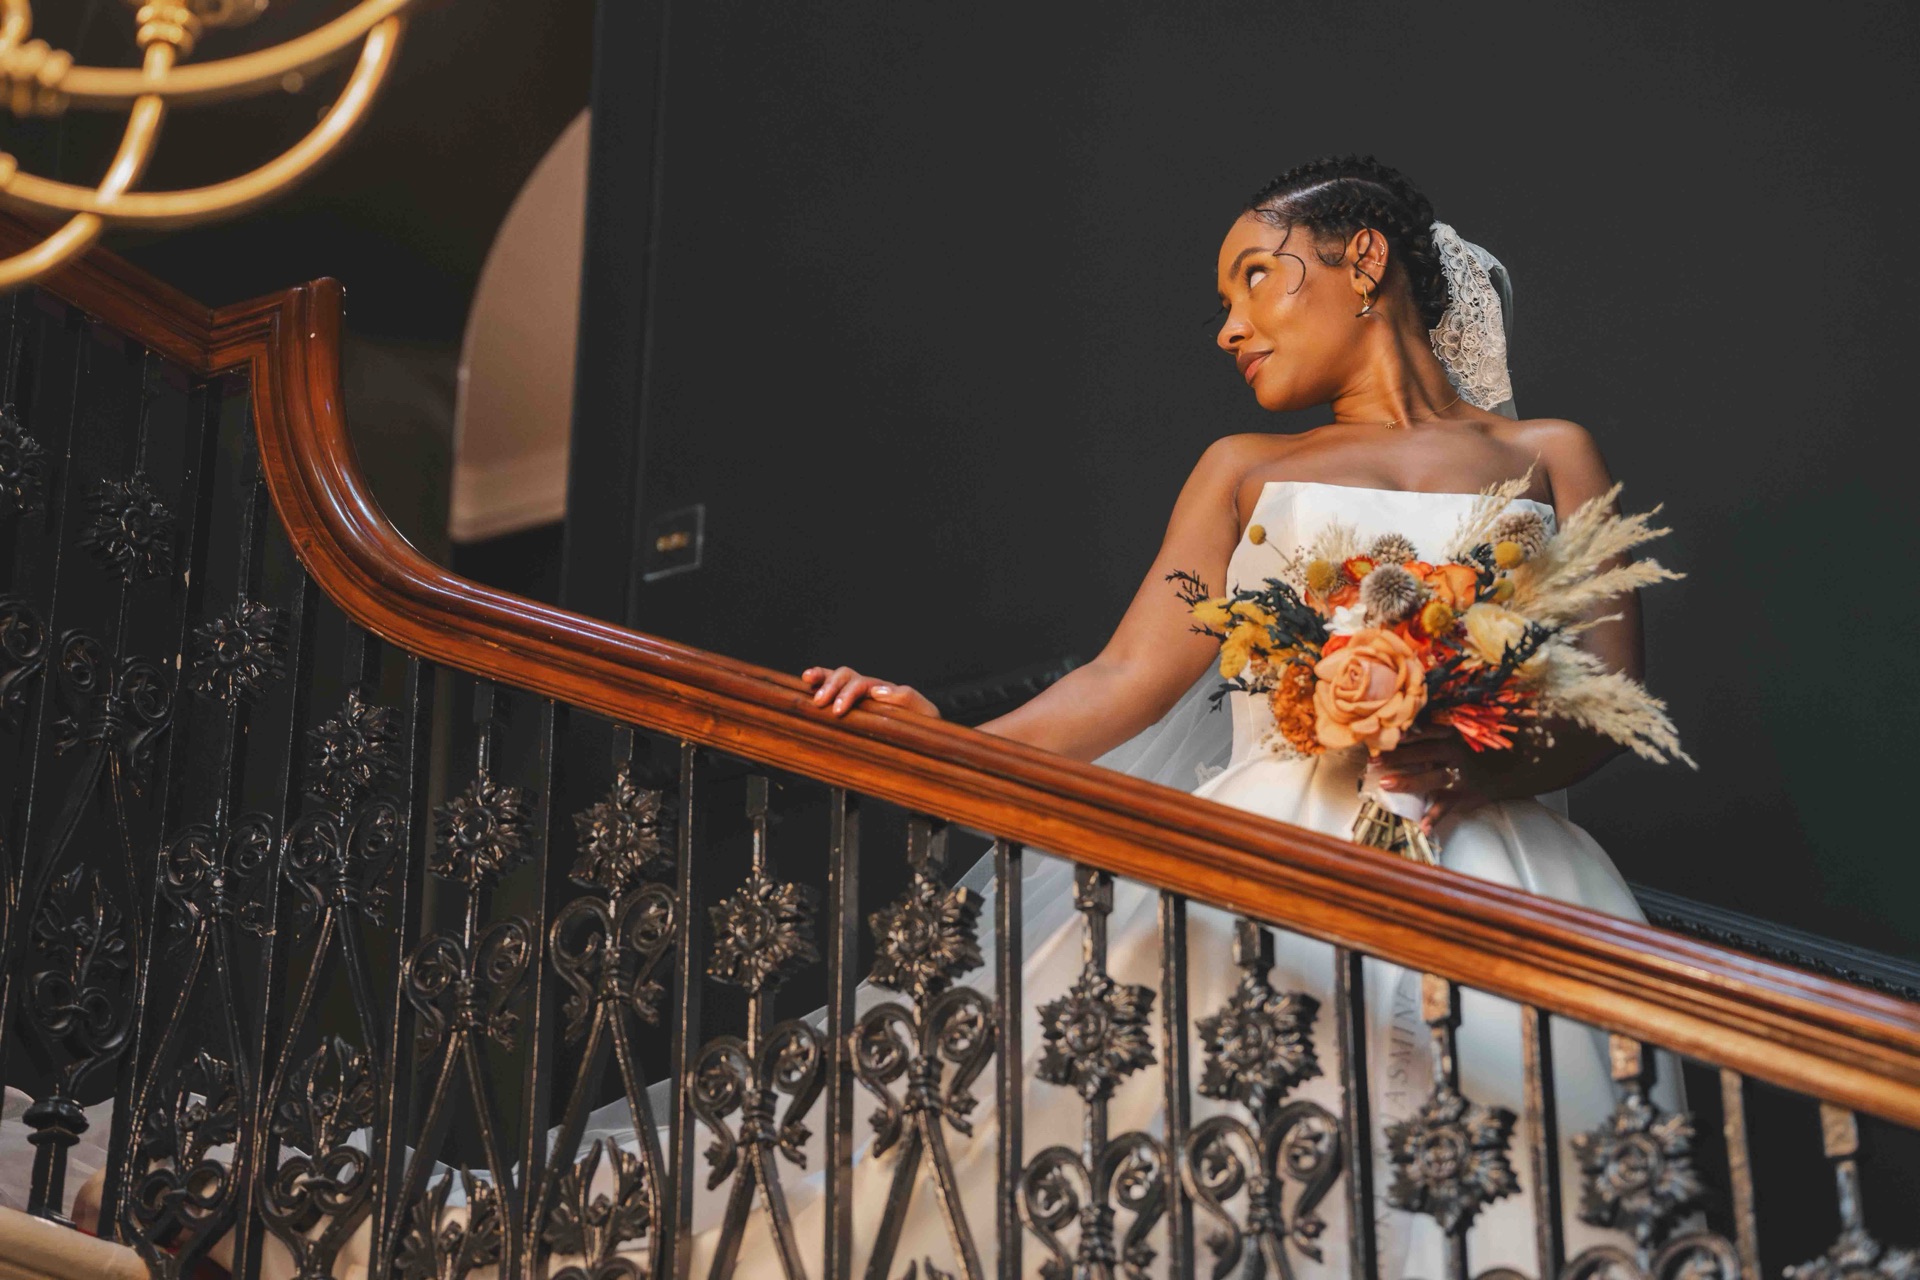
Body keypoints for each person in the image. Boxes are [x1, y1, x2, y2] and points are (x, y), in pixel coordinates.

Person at [790, 156, 1682, 1276]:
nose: (1229, 327)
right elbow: (1125, 677)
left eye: (1255, 278)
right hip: (1261, 870)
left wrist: (1468, 751)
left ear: (1365, 259)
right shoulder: (1241, 470)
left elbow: (1612, 701)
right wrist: (940, 741)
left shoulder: (1552, 455)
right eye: (1225, 300)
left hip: (1502, 876)